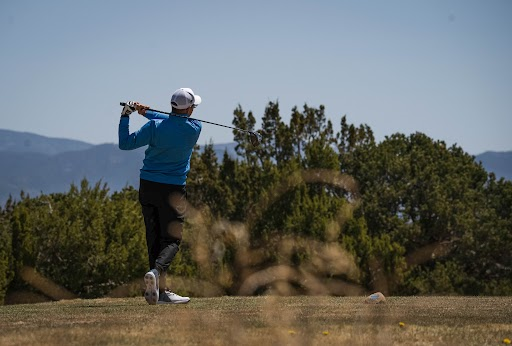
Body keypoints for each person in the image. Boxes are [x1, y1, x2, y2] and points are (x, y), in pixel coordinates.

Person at [118, 88, 202, 305]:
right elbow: (174, 121)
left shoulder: (154, 127)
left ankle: (159, 292)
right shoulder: (194, 128)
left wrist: (127, 115)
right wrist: (147, 112)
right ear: (190, 109)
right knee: (172, 239)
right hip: (172, 189)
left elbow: (125, 143)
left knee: (153, 237)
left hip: (147, 185)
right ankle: (156, 275)